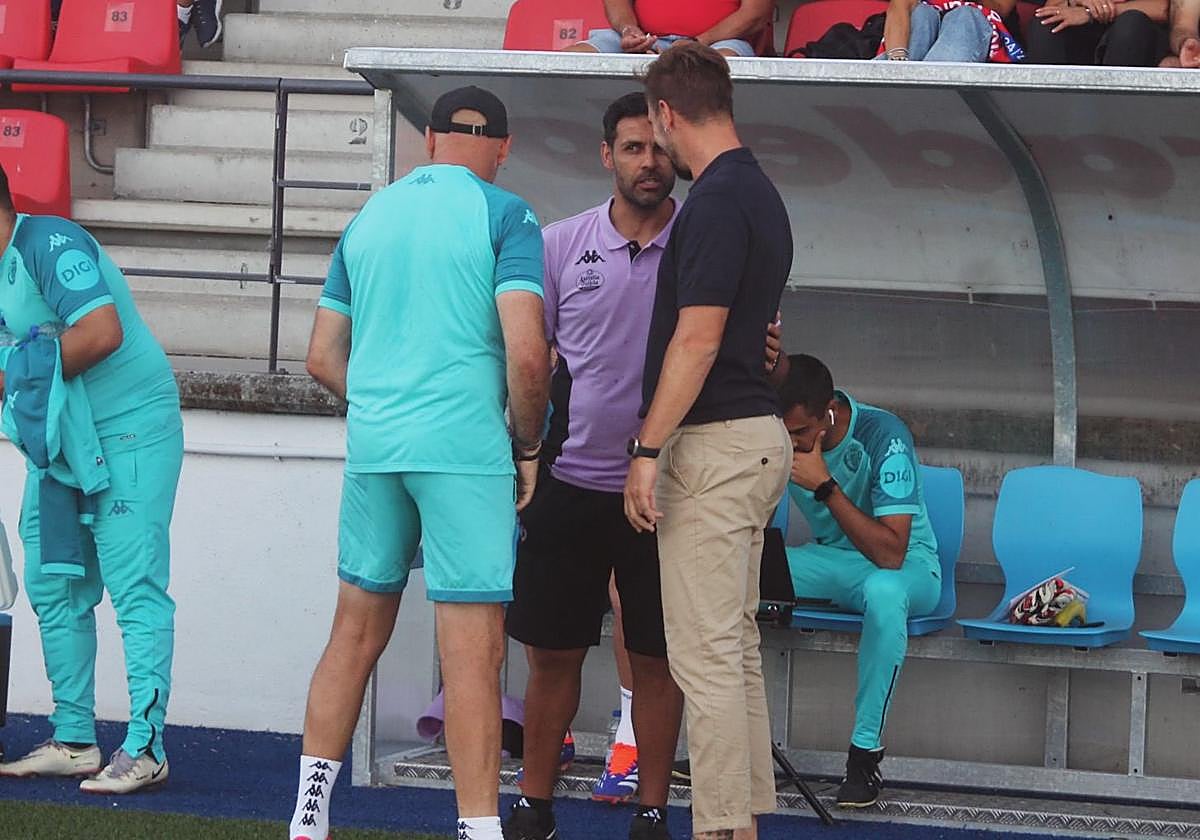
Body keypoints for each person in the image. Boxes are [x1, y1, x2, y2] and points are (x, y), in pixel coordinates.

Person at [289, 86, 550, 840]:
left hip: (377, 449)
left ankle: (307, 819)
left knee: (352, 635)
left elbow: (321, 357)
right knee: (472, 654)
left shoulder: (369, 217)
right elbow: (527, 354)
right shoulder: (507, 214)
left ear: (430, 140)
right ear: (504, 148)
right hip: (464, 452)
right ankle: (478, 829)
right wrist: (528, 444)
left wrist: (382, 402)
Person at [503, 91, 685, 840]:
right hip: (568, 484)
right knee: (552, 655)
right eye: (634, 148)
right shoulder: (558, 244)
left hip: (666, 493)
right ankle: (534, 804)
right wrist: (525, 454)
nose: (649, 162)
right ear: (607, 155)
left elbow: (754, 362)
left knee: (657, 660)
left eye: (660, 148)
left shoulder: (703, 246)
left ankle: (651, 811)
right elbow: (528, 358)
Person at [624, 43, 793, 840]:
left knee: (706, 655)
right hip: (751, 438)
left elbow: (697, 340)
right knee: (734, 649)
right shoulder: (758, 192)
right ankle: (739, 822)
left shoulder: (720, 199)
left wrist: (646, 450)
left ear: (665, 115)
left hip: (716, 446)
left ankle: (724, 828)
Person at [0, 165, 184, 794]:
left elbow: (102, 332)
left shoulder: (48, 242)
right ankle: (75, 739)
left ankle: (147, 748)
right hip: (61, 444)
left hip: (130, 430)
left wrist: (17, 376)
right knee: (53, 584)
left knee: (135, 589)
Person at [777, 355, 940, 808]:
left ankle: (864, 755)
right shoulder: (776, 435)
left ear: (828, 412)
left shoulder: (884, 434)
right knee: (728, 570)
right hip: (833, 563)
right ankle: (724, 741)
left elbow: (891, 553)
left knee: (884, 592)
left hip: (909, 567)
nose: (791, 444)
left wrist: (825, 485)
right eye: (783, 433)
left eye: (800, 433)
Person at [567, 0, 773, 57]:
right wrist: (629, 29)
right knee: (573, 58)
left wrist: (699, 42)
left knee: (719, 64)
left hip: (717, 42)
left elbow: (756, 13)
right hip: (644, 38)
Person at [1028, 0, 1168, 66]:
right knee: (1046, 22)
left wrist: (1093, 12)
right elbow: (1051, 6)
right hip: (1082, 33)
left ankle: (1116, 108)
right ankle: (1049, 106)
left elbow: (1163, 9)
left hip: (1135, 33)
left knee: (1131, 23)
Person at [876, 0, 1024, 61]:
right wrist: (898, 58)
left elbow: (1001, 8)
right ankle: (896, 78)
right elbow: (899, 7)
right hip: (919, 45)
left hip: (973, 26)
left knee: (964, 15)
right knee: (922, 14)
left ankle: (929, 88)